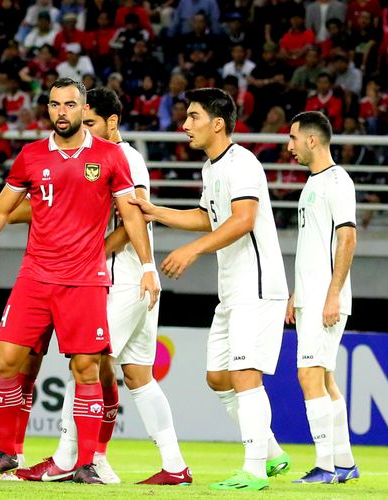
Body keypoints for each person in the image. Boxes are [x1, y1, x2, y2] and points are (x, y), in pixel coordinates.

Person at [0, 78, 160, 484]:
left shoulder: (109, 156)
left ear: (83, 109)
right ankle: (6, 452)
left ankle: (86, 464)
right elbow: (2, 209)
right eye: (54, 105)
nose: (61, 111)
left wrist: (149, 265)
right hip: (35, 277)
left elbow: (132, 215)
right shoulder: (32, 156)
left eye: (69, 104)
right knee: (6, 361)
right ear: (48, 109)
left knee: (87, 368)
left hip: (85, 280)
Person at [8, 87, 191, 485]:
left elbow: (135, 218)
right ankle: (173, 466)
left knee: (83, 365)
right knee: (137, 377)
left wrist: (91, 251)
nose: (82, 129)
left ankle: (65, 458)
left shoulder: (121, 157)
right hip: (135, 281)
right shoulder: (101, 158)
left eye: (90, 122)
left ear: (112, 122)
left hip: (120, 279)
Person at [130, 88, 290, 491]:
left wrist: (193, 251)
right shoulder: (212, 168)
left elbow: (243, 219)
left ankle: (254, 470)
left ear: (217, 123)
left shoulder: (242, 163)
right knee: (218, 378)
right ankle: (272, 453)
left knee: (244, 373)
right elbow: (208, 217)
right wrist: (156, 212)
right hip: (233, 290)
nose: (184, 126)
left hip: (255, 286)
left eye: (193, 117)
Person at [285, 111, 359, 484]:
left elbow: (347, 238)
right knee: (325, 377)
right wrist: (298, 291)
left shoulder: (337, 181)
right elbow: (317, 244)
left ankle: (325, 467)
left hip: (325, 300)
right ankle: (344, 462)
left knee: (308, 374)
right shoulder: (314, 183)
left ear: (312, 140)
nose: (289, 146)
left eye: (294, 138)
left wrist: (331, 295)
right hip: (311, 296)